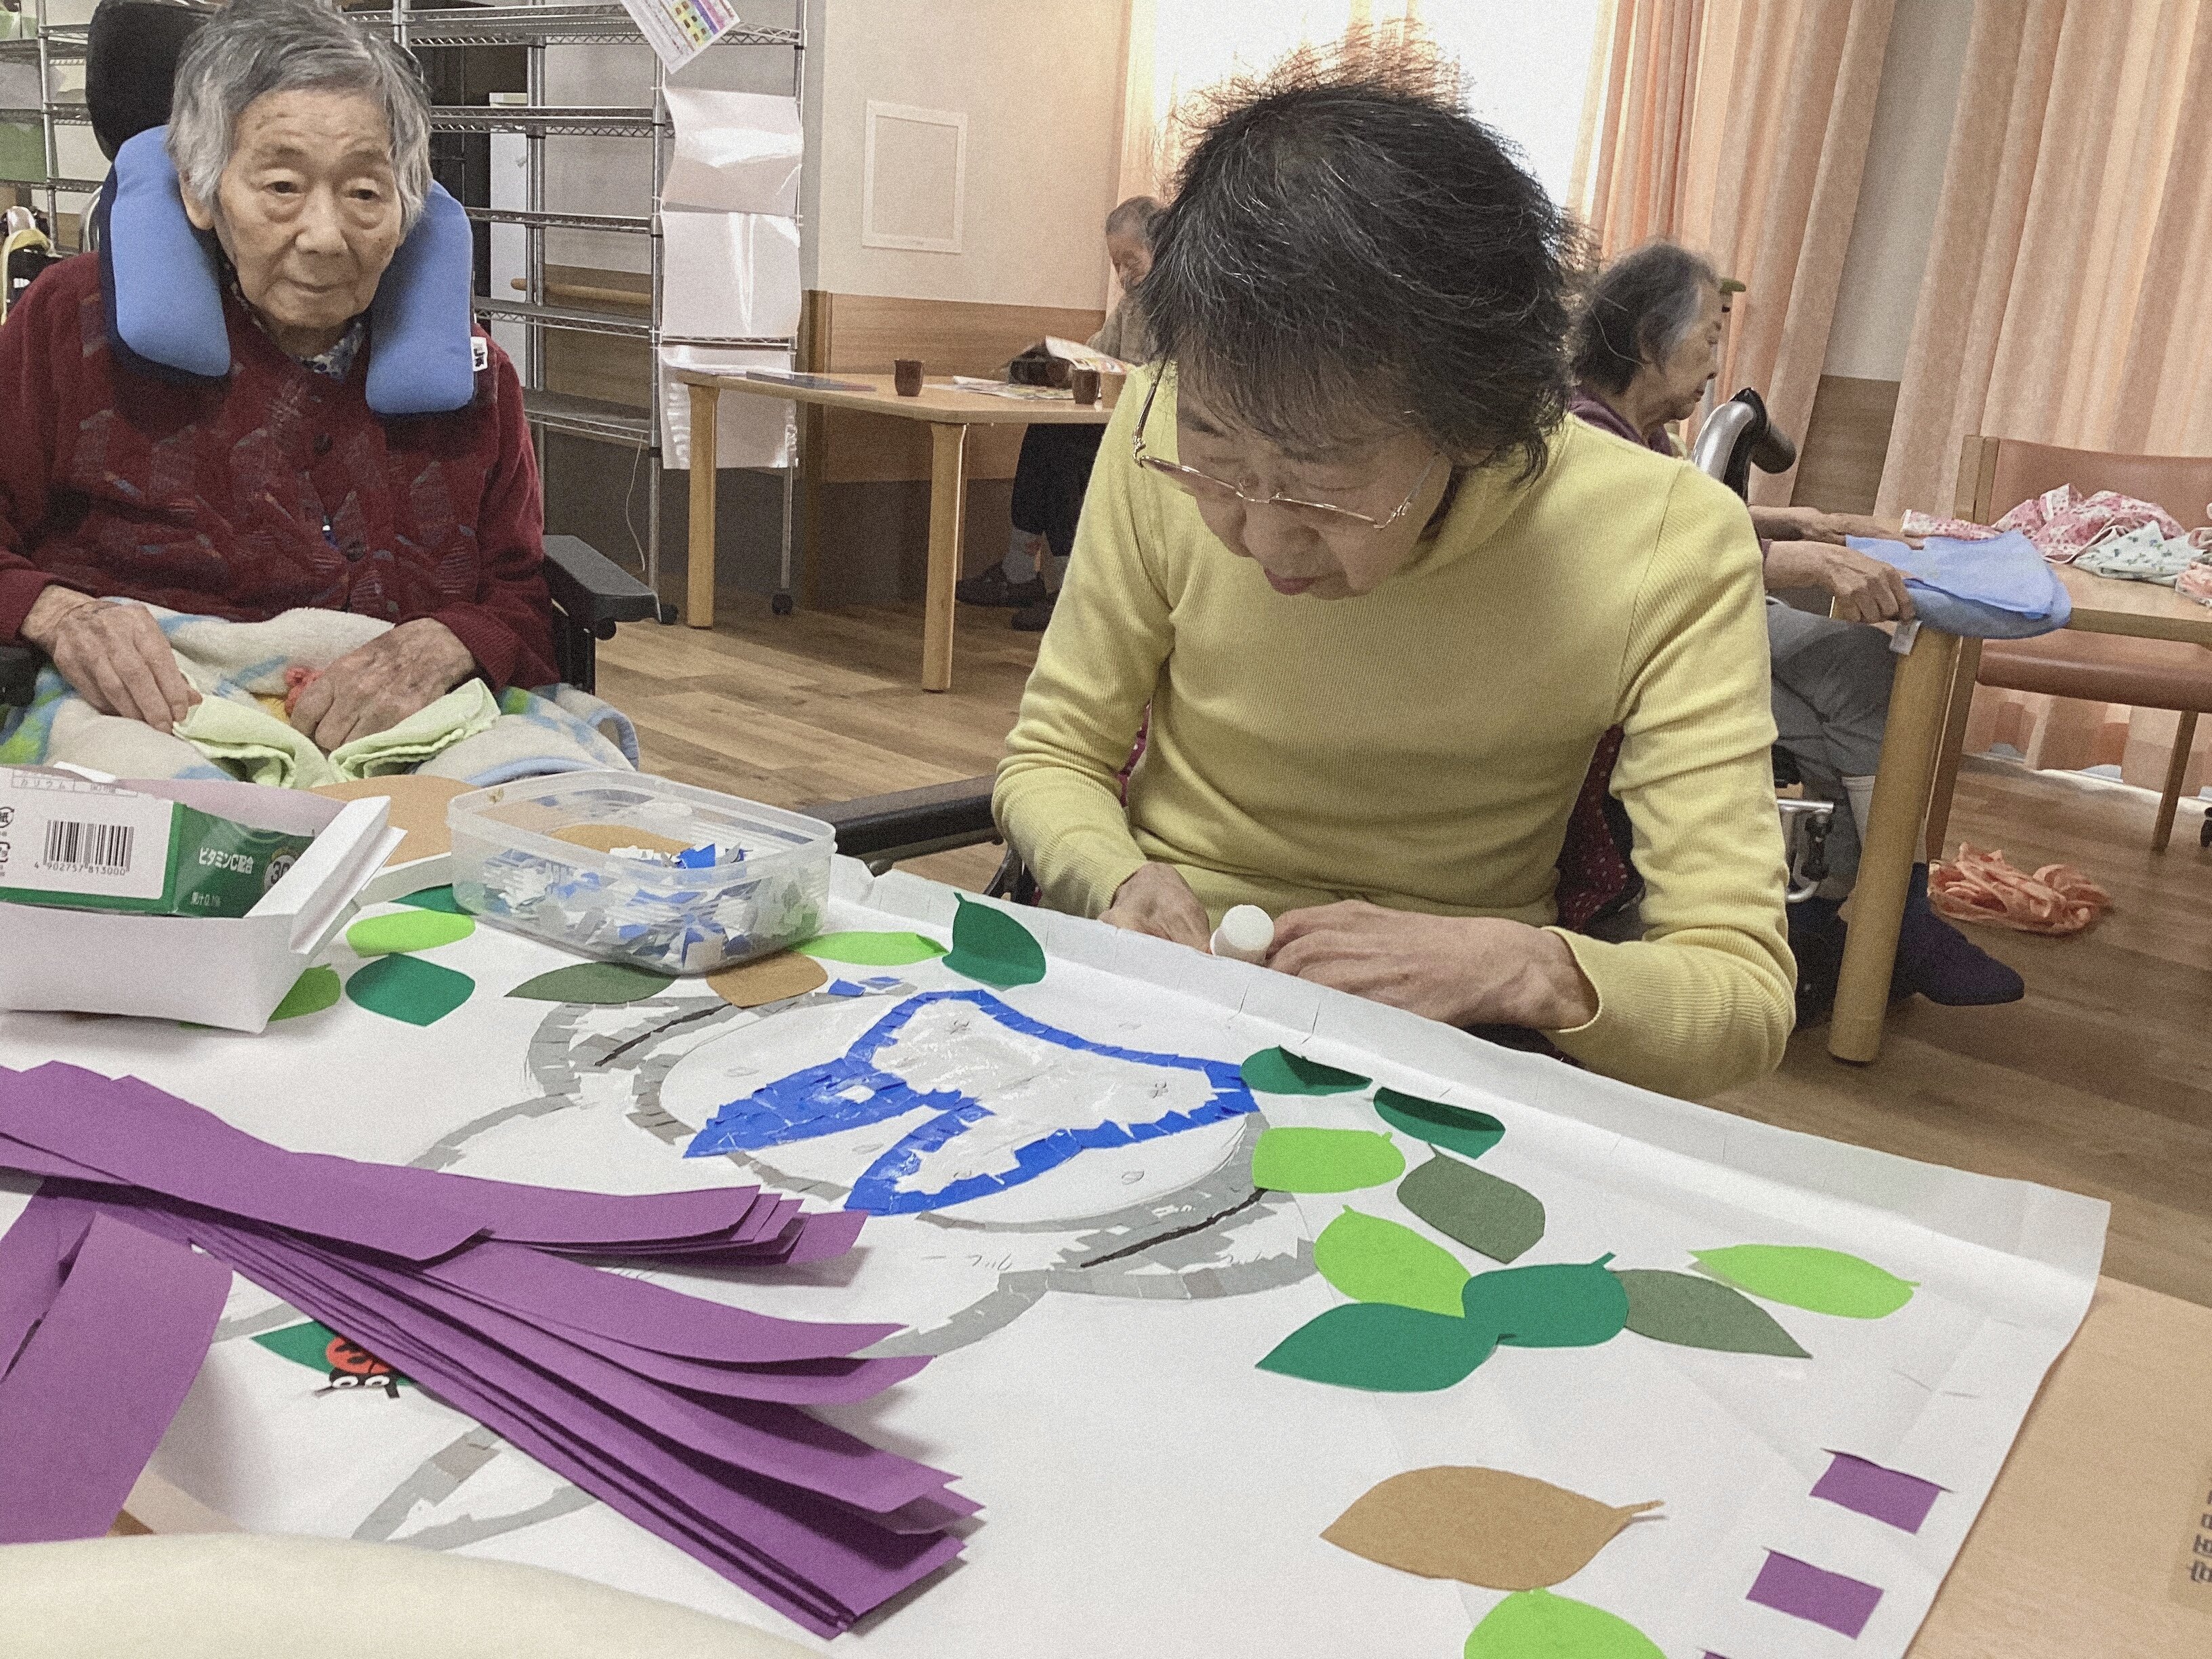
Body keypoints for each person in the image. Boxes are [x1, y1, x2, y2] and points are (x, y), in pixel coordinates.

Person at [995, 52, 1795, 1101]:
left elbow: (1741, 993)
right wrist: (1119, 878)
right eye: (1217, 458)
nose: (1259, 538)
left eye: (1320, 488)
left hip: (1453, 1035)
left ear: (1479, 428)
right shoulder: (1152, 421)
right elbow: (1052, 756)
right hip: (1161, 983)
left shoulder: (1669, 540)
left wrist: (1519, 970)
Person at [0, 0, 558, 757]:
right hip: (156, 719)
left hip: (404, 731)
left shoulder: (474, 376)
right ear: (201, 191)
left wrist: (450, 642)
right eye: (283, 187)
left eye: (365, 193)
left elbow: (520, 600)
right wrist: (61, 615)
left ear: (408, 207)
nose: (324, 237)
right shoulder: (74, 323)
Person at [1569, 240, 2022, 1013]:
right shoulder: (1584, 434)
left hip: (1675, 626)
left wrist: (1803, 521)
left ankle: (1837, 916)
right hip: (1630, 650)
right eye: (1709, 338)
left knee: (1852, 688)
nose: (1716, 363)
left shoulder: (1634, 430)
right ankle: (1880, 919)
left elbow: (1680, 512)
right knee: (1856, 685)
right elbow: (1654, 543)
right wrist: (1810, 562)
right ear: (1648, 341)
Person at [956, 195, 1159, 633]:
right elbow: (1096, 356)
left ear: (1161, 249)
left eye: (1132, 262)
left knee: (1067, 446)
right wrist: (1052, 364)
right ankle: (1019, 569)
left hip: (1155, 432)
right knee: (1047, 427)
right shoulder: (1130, 307)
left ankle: (1069, 587)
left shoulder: (1182, 307)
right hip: (1117, 421)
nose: (1123, 276)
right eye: (1116, 265)